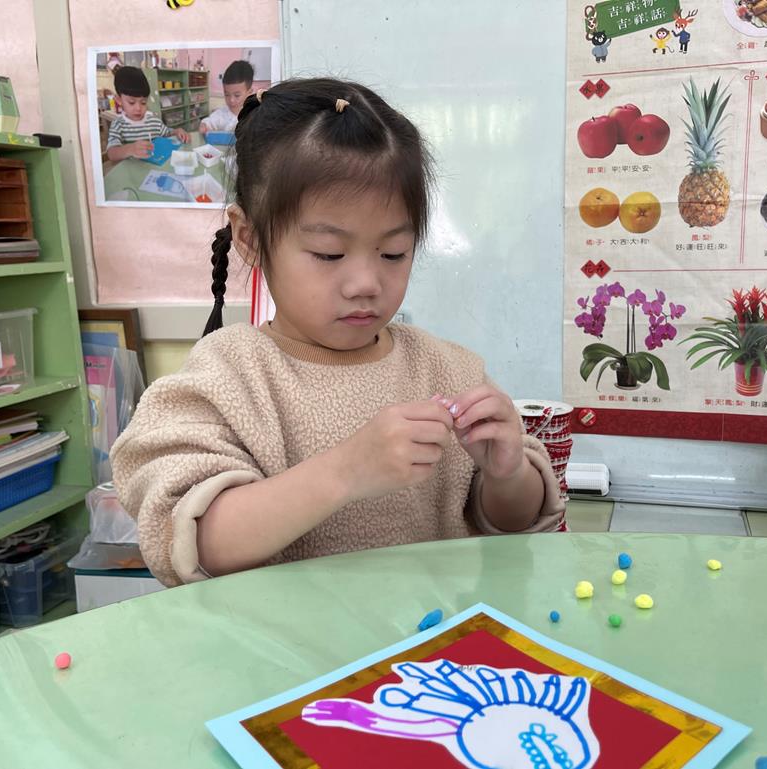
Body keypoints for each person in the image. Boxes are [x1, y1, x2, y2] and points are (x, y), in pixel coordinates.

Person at [111, 77, 564, 587]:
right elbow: (192, 543)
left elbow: (513, 524)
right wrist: (346, 471)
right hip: (283, 639)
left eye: (393, 253)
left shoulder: (448, 370)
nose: (366, 283)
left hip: (428, 636)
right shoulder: (229, 374)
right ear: (250, 239)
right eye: (329, 254)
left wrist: (508, 475)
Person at [105, 66, 189, 162]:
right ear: (119, 100)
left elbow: (167, 133)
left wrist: (177, 131)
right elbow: (111, 154)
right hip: (131, 170)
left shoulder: (154, 121)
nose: (138, 108)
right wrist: (130, 149)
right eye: (131, 102)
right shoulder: (118, 125)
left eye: (143, 102)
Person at [199, 60, 254, 138]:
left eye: (237, 95)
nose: (231, 100)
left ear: (249, 92)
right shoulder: (221, 114)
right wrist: (204, 126)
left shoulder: (255, 113)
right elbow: (209, 122)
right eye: (227, 94)